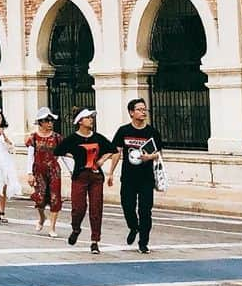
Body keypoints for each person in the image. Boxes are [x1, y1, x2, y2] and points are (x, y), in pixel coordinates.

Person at [55, 108, 117, 254]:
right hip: (79, 177)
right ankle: (76, 229)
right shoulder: (72, 139)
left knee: (96, 208)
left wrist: (102, 160)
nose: (91, 120)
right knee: (78, 208)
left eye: (91, 117)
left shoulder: (98, 137)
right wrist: (73, 159)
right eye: (88, 118)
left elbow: (113, 149)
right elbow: (58, 152)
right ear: (80, 121)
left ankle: (95, 241)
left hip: (96, 177)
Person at [112, 97, 163, 254]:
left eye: (144, 109)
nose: (143, 112)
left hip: (146, 178)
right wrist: (110, 172)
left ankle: (143, 242)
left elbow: (159, 154)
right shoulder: (124, 131)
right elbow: (116, 152)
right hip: (128, 177)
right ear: (131, 112)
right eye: (139, 109)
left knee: (145, 210)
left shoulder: (152, 132)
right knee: (127, 206)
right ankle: (133, 227)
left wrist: (149, 157)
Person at [25, 107, 62, 236]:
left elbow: (63, 154)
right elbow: (30, 156)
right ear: (40, 122)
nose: (50, 123)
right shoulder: (33, 138)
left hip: (54, 171)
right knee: (40, 198)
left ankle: (52, 228)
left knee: (55, 198)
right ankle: (42, 218)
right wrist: (29, 173)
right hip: (39, 171)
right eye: (47, 120)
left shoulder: (57, 137)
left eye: (51, 121)